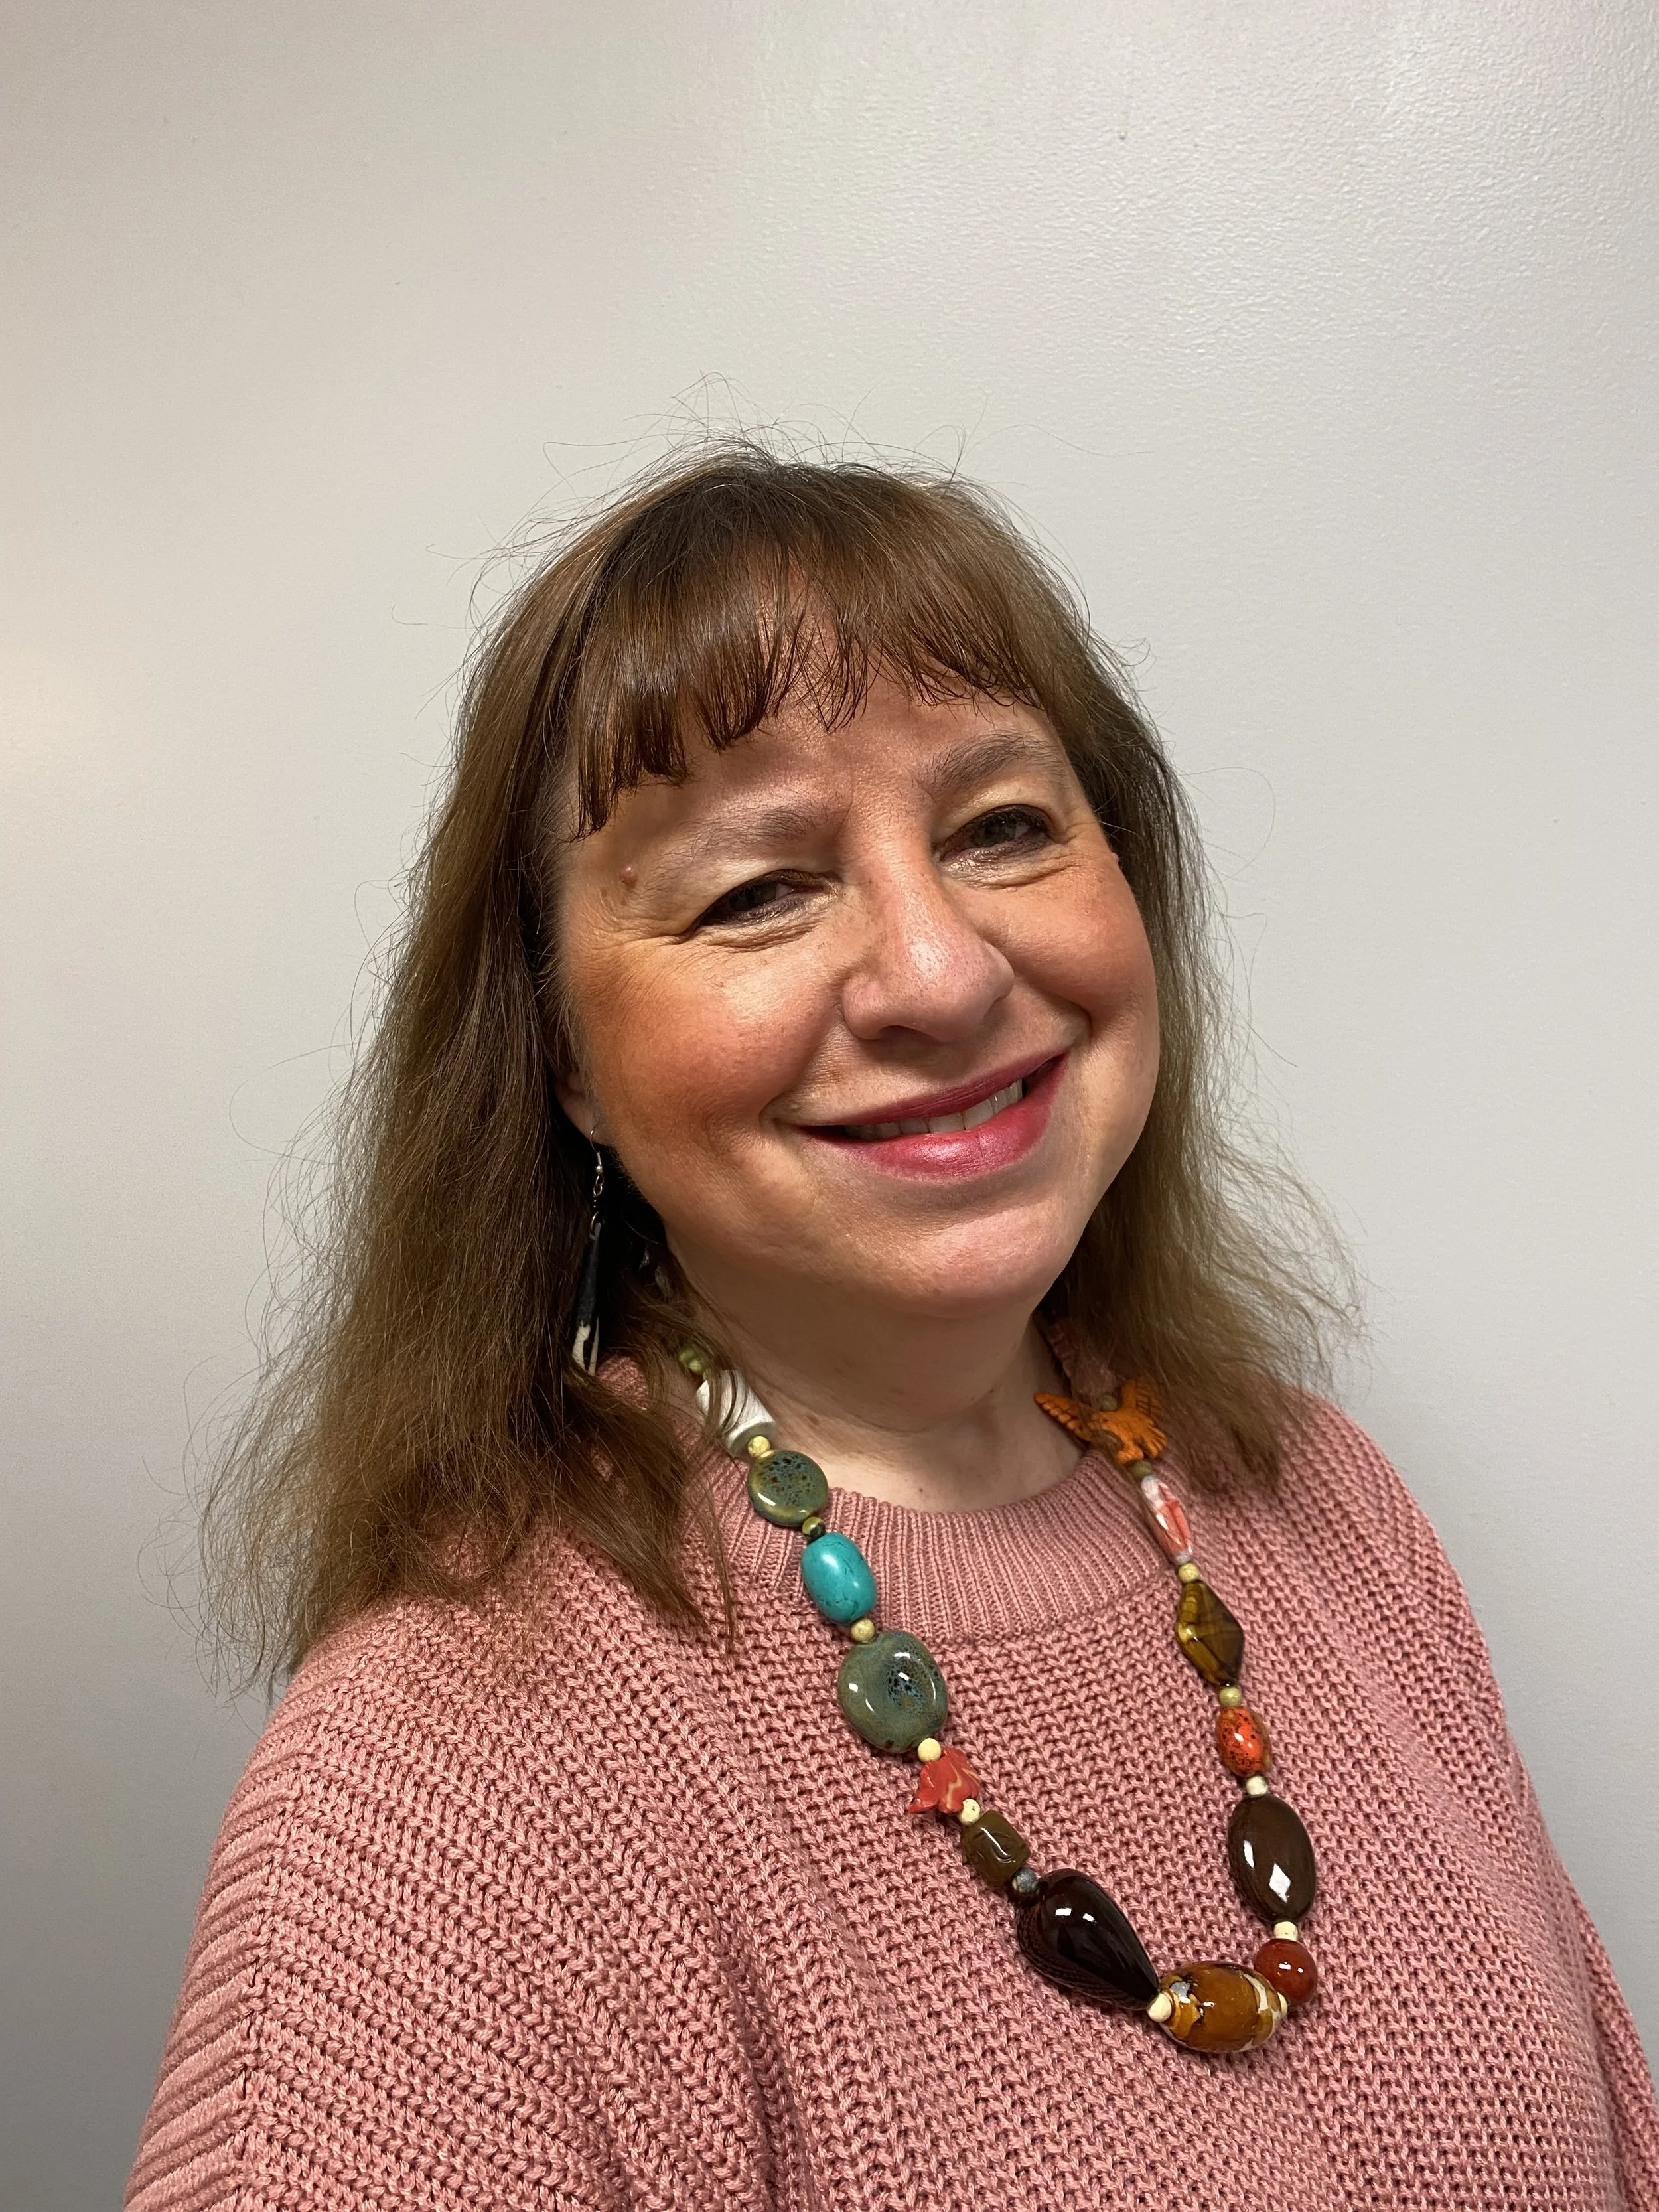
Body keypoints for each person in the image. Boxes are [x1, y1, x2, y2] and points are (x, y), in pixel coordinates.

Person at [128, 449, 1657, 2211]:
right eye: (756, 887)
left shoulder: (1317, 1498)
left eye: (1002, 826)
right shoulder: (443, 1777)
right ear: (559, 1059)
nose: (936, 971)